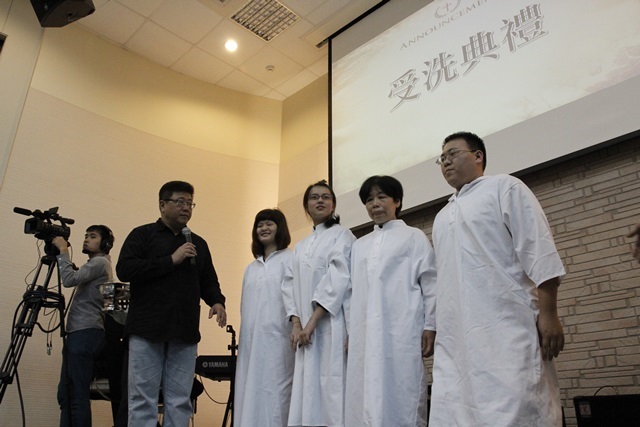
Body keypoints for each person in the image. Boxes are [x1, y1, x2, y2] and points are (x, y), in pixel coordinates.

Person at [429, 132, 566, 426]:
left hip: (507, 328)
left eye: (453, 154)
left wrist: (549, 313)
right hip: (457, 338)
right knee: (456, 409)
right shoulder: (442, 216)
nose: (446, 162)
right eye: (442, 158)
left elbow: (538, 249)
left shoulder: (505, 187)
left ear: (478, 156)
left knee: (517, 406)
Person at [116, 180, 226, 427]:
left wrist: (217, 301)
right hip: (146, 329)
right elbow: (125, 269)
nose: (186, 207)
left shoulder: (198, 243)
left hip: (184, 330)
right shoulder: (142, 235)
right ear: (162, 205)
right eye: (180, 202)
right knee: (142, 398)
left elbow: (208, 280)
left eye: (190, 203)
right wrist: (170, 260)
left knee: (180, 400)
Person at [345, 175, 436, 427]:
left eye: (382, 197)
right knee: (365, 390)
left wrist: (430, 325)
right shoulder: (359, 246)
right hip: (364, 332)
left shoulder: (413, 237)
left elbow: (430, 282)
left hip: (401, 328)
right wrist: (352, 331)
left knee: (402, 386)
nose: (375, 204)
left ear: (397, 201)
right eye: (369, 199)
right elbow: (352, 292)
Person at [282, 180, 355, 427]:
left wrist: (312, 323)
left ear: (333, 204)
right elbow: (289, 285)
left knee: (331, 386)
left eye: (326, 197)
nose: (320, 200)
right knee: (308, 390)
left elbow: (338, 278)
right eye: (314, 197)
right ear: (306, 206)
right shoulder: (300, 246)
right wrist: (296, 324)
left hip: (331, 325)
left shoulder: (342, 235)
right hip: (304, 331)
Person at [234, 209, 295, 427]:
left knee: (276, 394)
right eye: (260, 225)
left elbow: (294, 300)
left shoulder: (290, 259)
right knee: (248, 391)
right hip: (251, 343)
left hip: (280, 341)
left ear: (280, 228)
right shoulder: (250, 268)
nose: (264, 228)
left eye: (269, 224)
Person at [53, 225, 114, 427]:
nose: (86, 239)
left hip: (85, 332)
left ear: (105, 243)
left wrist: (63, 250)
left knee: (76, 395)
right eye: (86, 235)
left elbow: (69, 279)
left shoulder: (100, 262)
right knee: (67, 394)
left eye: (93, 236)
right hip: (82, 332)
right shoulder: (100, 265)